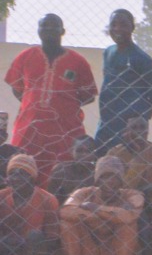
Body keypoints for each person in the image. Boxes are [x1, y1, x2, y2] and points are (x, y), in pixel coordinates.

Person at [5, 13, 97, 183]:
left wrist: (64, 105)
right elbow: (17, 88)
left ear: (62, 31)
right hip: (30, 129)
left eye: (53, 26)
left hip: (65, 130)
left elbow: (88, 96)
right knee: (23, 169)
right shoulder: (25, 57)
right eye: (44, 26)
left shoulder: (78, 61)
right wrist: (32, 103)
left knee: (64, 175)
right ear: (38, 30)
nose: (48, 29)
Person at [59, 156, 142, 255]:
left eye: (115, 177)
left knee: (128, 226)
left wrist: (96, 208)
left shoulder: (132, 195)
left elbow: (129, 216)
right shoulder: (84, 193)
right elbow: (66, 211)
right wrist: (103, 216)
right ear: (97, 180)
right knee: (67, 225)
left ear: (121, 180)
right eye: (105, 177)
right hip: (88, 252)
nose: (110, 182)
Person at [95, 8, 152, 154]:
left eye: (123, 24)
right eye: (114, 24)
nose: (117, 29)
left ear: (132, 27)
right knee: (102, 165)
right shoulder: (108, 52)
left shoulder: (141, 58)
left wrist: (141, 117)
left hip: (127, 129)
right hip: (106, 123)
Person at [0, 154, 60, 255]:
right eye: (12, 174)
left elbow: (53, 237)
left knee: (34, 236)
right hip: (5, 253)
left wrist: (26, 242)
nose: (16, 178)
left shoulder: (47, 199)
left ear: (32, 177)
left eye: (22, 174)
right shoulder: (2, 197)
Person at [48, 136, 98, 206]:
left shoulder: (97, 173)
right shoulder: (60, 170)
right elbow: (51, 199)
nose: (84, 155)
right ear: (71, 151)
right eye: (79, 151)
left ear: (94, 154)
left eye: (88, 151)